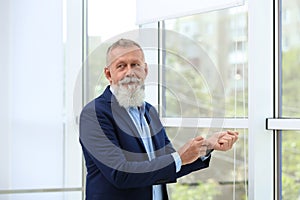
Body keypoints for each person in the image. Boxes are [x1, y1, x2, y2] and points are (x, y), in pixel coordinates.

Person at [79, 38, 239, 200]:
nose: (129, 72)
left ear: (145, 70)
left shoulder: (149, 111)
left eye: (135, 65)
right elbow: (120, 173)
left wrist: (208, 146)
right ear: (108, 74)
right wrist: (178, 157)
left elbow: (171, 164)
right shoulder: (94, 113)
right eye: (121, 66)